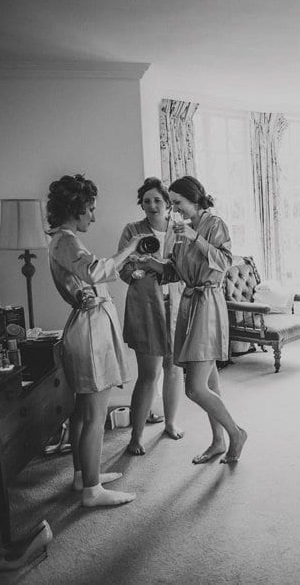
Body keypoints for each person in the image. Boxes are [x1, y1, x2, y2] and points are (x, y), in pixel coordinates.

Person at [46, 174, 142, 507]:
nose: (94, 217)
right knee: (93, 416)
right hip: (90, 332)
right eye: (90, 210)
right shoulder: (67, 241)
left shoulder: (61, 240)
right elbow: (96, 272)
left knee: (82, 412)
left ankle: (82, 475)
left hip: (88, 325)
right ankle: (92, 490)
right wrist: (128, 250)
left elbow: (85, 279)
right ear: (76, 209)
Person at [137, 176, 247, 464]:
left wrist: (194, 237)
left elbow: (224, 262)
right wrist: (150, 265)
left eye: (177, 203)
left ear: (194, 199)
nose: (173, 209)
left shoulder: (214, 224)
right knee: (209, 383)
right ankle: (218, 441)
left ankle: (236, 433)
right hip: (189, 303)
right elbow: (176, 270)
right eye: (171, 204)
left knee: (194, 388)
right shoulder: (179, 231)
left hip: (208, 303)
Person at [118, 177, 185, 455]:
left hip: (177, 306)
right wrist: (135, 272)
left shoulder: (180, 230)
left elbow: (186, 267)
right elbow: (121, 267)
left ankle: (170, 423)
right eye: (147, 201)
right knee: (149, 373)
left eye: (157, 200)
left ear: (168, 203)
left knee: (174, 368)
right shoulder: (132, 230)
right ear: (141, 204)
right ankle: (136, 436)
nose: (152, 205)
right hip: (146, 307)